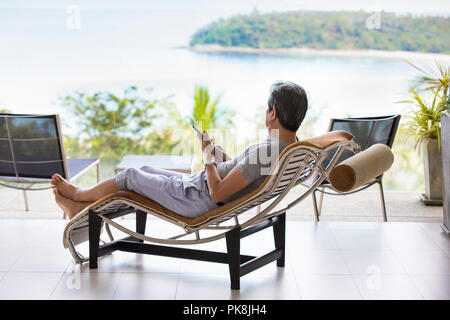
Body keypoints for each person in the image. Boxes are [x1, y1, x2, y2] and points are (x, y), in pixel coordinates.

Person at [52, 81, 308, 219]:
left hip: (197, 199)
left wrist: (208, 159)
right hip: (196, 188)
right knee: (144, 170)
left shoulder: (268, 149)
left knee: (130, 176)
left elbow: (218, 193)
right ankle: (80, 209)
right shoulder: (290, 148)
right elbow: (242, 174)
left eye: (267, 108)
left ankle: (81, 194)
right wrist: (216, 155)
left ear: (272, 113)